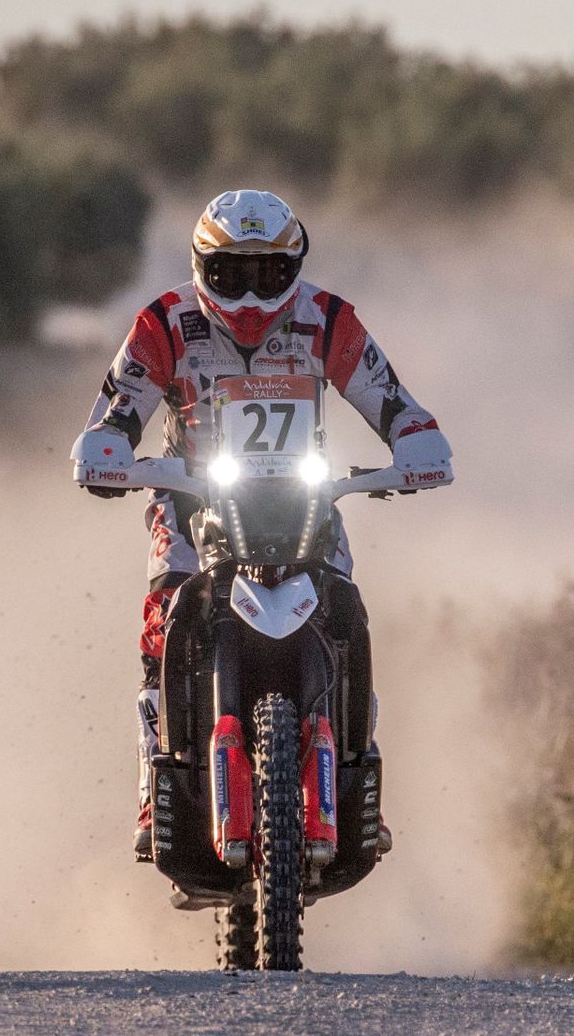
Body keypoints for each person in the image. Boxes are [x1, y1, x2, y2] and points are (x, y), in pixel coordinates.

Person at [76, 189, 447, 858]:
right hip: (193, 499)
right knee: (164, 621)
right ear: (202, 267)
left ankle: (361, 780)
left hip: (304, 499)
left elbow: (391, 399)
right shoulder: (164, 323)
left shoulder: (329, 320)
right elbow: (112, 418)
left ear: (293, 267)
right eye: (232, 275)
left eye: (268, 274)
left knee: (347, 612)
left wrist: (418, 443)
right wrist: (106, 456)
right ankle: (149, 788)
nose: (251, 295)